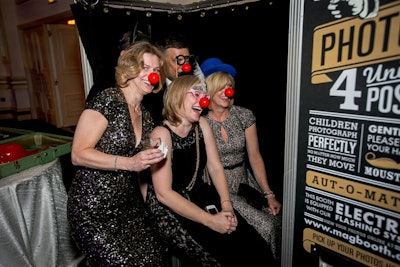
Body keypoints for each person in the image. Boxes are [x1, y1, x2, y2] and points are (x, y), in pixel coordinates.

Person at [145, 74, 272, 266]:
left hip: (199, 192)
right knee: (220, 254)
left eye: (203, 95)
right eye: (195, 94)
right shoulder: (162, 134)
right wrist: (210, 221)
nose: (203, 100)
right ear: (178, 95)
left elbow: (215, 166)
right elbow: (164, 194)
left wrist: (227, 205)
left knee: (252, 245)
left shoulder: (202, 124)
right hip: (169, 206)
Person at [67, 41, 169, 266]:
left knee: (155, 258)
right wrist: (129, 163)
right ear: (130, 68)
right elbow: (78, 153)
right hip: (92, 208)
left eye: (155, 70)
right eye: (144, 67)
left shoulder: (146, 115)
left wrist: (149, 209)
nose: (151, 75)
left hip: (127, 208)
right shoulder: (108, 100)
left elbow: (141, 171)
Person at [201, 57, 283, 261]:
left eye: (229, 86)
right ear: (209, 90)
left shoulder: (244, 115)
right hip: (218, 185)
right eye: (220, 87)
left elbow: (255, 158)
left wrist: (268, 193)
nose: (227, 91)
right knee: (265, 226)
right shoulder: (199, 121)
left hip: (244, 181)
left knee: (276, 220)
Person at [143, 31, 196, 124]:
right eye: (178, 60)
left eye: (187, 59)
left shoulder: (195, 87)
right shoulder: (150, 93)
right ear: (161, 61)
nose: (185, 66)